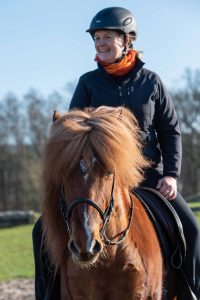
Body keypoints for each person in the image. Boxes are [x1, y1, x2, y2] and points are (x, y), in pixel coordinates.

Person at [33, 7, 200, 299]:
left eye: (107, 37)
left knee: (191, 229)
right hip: (99, 178)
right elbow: (72, 130)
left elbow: (171, 131)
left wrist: (171, 175)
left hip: (147, 178)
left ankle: (191, 291)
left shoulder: (151, 82)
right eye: (97, 38)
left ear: (127, 40)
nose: (100, 43)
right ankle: (47, 293)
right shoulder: (88, 83)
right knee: (40, 232)